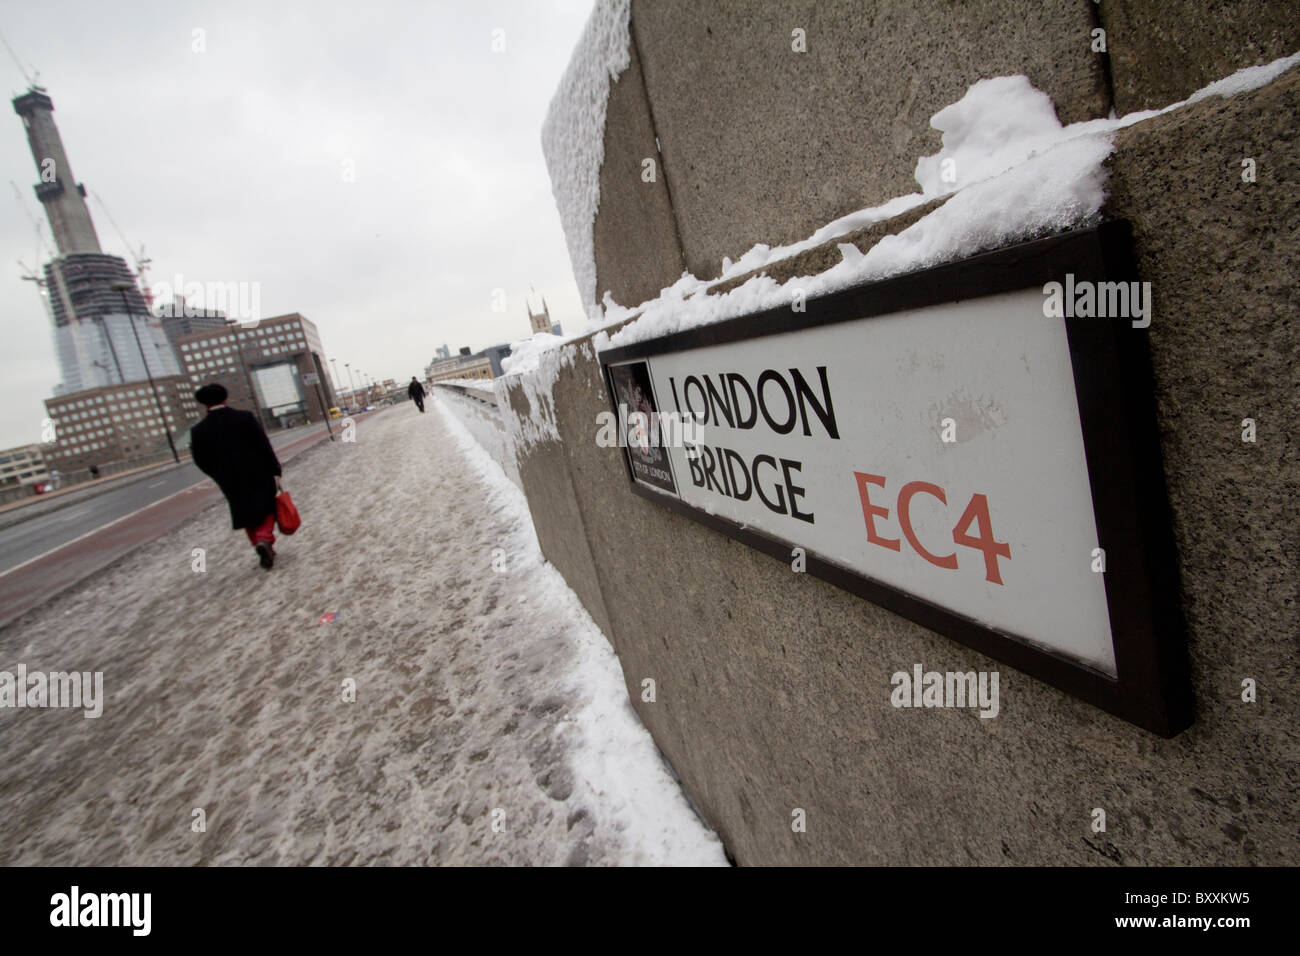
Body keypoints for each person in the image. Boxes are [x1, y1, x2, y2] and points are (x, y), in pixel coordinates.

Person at [189, 383, 284, 569]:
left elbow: (200, 459)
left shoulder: (198, 430)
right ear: (225, 398)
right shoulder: (244, 418)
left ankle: (260, 543)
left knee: (245, 512)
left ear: (204, 404)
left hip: (229, 479)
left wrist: (217, 473)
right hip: (258, 472)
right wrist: (275, 468)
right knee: (267, 507)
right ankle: (264, 539)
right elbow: (263, 445)